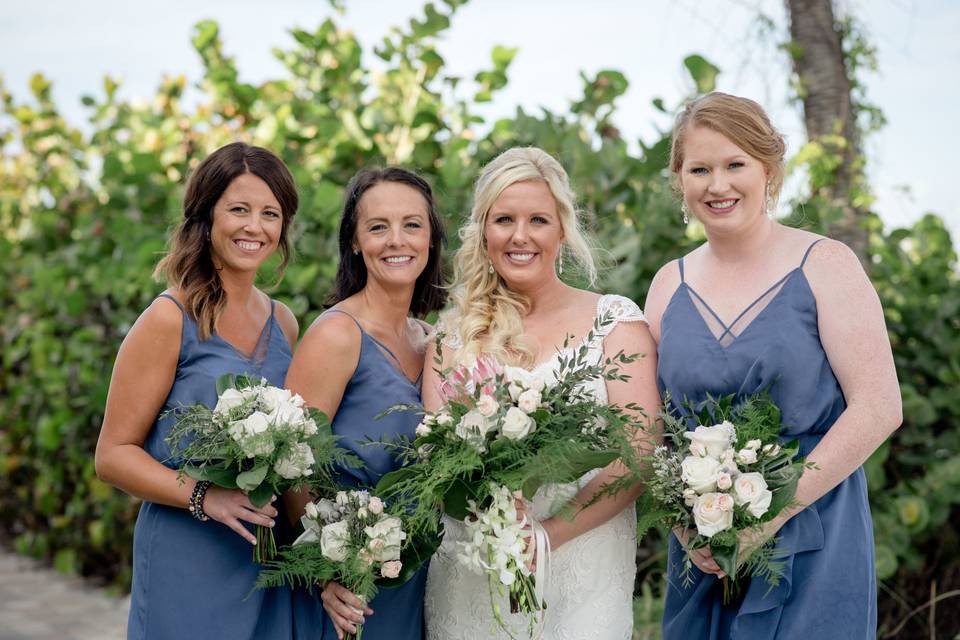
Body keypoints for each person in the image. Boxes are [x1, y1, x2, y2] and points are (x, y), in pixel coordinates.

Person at [644, 92, 903, 639]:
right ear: (680, 181)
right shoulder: (669, 284)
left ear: (770, 169)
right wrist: (687, 529)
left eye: (735, 164)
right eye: (700, 169)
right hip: (703, 549)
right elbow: (651, 431)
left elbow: (879, 407)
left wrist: (772, 514)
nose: (718, 185)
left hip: (813, 531)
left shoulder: (827, 264)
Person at [423, 146, 661, 639]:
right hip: (473, 572)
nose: (520, 236)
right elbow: (438, 455)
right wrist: (497, 521)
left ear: (561, 229)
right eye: (504, 219)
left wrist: (547, 537)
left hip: (582, 568)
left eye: (538, 220)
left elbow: (640, 451)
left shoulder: (614, 322)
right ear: (483, 230)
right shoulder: (452, 334)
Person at [95, 142, 305, 639]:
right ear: (206, 217)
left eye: (269, 213)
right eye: (239, 209)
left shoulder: (286, 324)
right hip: (187, 552)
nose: (254, 227)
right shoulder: (169, 318)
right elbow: (112, 454)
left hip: (263, 556)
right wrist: (205, 496)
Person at [283, 167, 447, 640]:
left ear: (431, 237)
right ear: (355, 242)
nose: (397, 240)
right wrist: (326, 570)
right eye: (378, 227)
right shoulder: (336, 335)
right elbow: (290, 465)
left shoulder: (434, 341)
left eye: (412, 225)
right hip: (350, 595)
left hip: (421, 581)